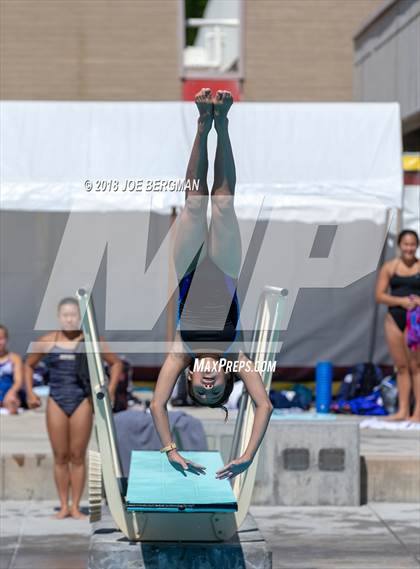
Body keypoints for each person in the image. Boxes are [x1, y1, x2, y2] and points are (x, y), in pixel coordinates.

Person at [150, 88, 274, 481]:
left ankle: (203, 125)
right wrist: (249, 455)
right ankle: (223, 122)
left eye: (201, 392)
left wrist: (170, 450)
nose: (206, 385)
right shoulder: (236, 355)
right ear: (225, 377)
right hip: (224, 267)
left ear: (188, 379)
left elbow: (157, 405)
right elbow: (265, 406)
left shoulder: (179, 352)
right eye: (214, 389)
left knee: (193, 203)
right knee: (221, 203)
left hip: (187, 267)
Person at [25, 297, 123, 519]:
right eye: (65, 315)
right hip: (57, 400)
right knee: (60, 455)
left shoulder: (91, 341)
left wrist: (112, 389)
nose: (69, 319)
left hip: (81, 400)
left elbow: (116, 363)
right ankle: (63, 505)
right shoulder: (47, 341)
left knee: (78, 455)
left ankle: (76, 506)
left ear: (81, 318)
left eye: (74, 315)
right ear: (59, 317)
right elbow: (28, 365)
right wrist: (29, 392)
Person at [376, 229, 420, 422]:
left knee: (416, 366)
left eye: (413, 244)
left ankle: (417, 412)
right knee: (401, 366)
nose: (409, 248)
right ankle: (402, 410)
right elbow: (379, 295)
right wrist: (401, 301)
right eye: (406, 244)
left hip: (415, 320)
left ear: (416, 246)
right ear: (400, 245)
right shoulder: (390, 267)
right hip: (395, 318)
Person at [0, 325, 23, 414]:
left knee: (12, 402)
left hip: (9, 391)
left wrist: (11, 393)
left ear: (6, 339)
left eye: (1, 339)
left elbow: (18, 382)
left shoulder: (14, 358)